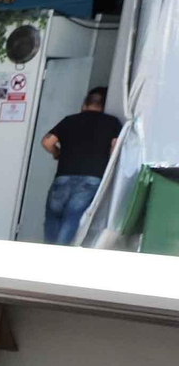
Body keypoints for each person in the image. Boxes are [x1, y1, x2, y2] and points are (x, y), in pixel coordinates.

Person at [40, 86, 121, 246]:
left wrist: (57, 153)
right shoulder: (111, 122)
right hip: (92, 178)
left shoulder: (69, 120)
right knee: (72, 217)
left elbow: (47, 142)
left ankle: (48, 252)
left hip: (63, 177)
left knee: (53, 216)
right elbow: (115, 146)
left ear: (84, 104)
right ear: (103, 106)